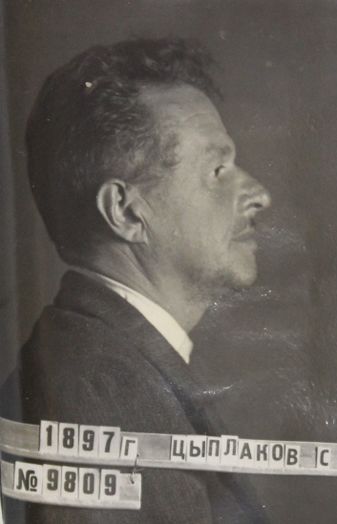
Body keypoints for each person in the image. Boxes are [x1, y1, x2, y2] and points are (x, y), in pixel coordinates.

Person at [1, 38, 270, 523]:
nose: (259, 194)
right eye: (218, 169)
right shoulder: (97, 396)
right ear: (126, 212)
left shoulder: (107, 367)